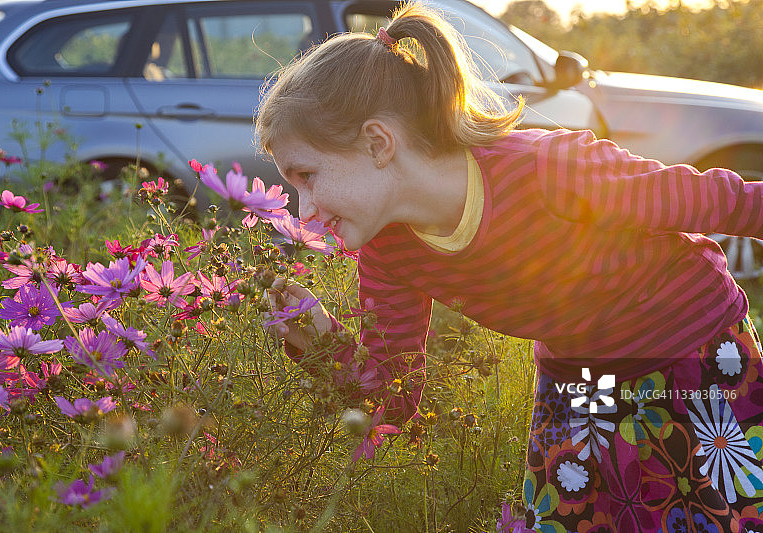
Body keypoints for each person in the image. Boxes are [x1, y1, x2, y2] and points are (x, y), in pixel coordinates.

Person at [254, 2, 763, 532]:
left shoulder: (545, 172)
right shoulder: (388, 253)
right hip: (578, 382)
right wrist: (318, 342)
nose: (303, 209)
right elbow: (394, 395)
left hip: (689, 351)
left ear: (379, 143)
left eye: (307, 175)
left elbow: (709, 199)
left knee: (725, 520)